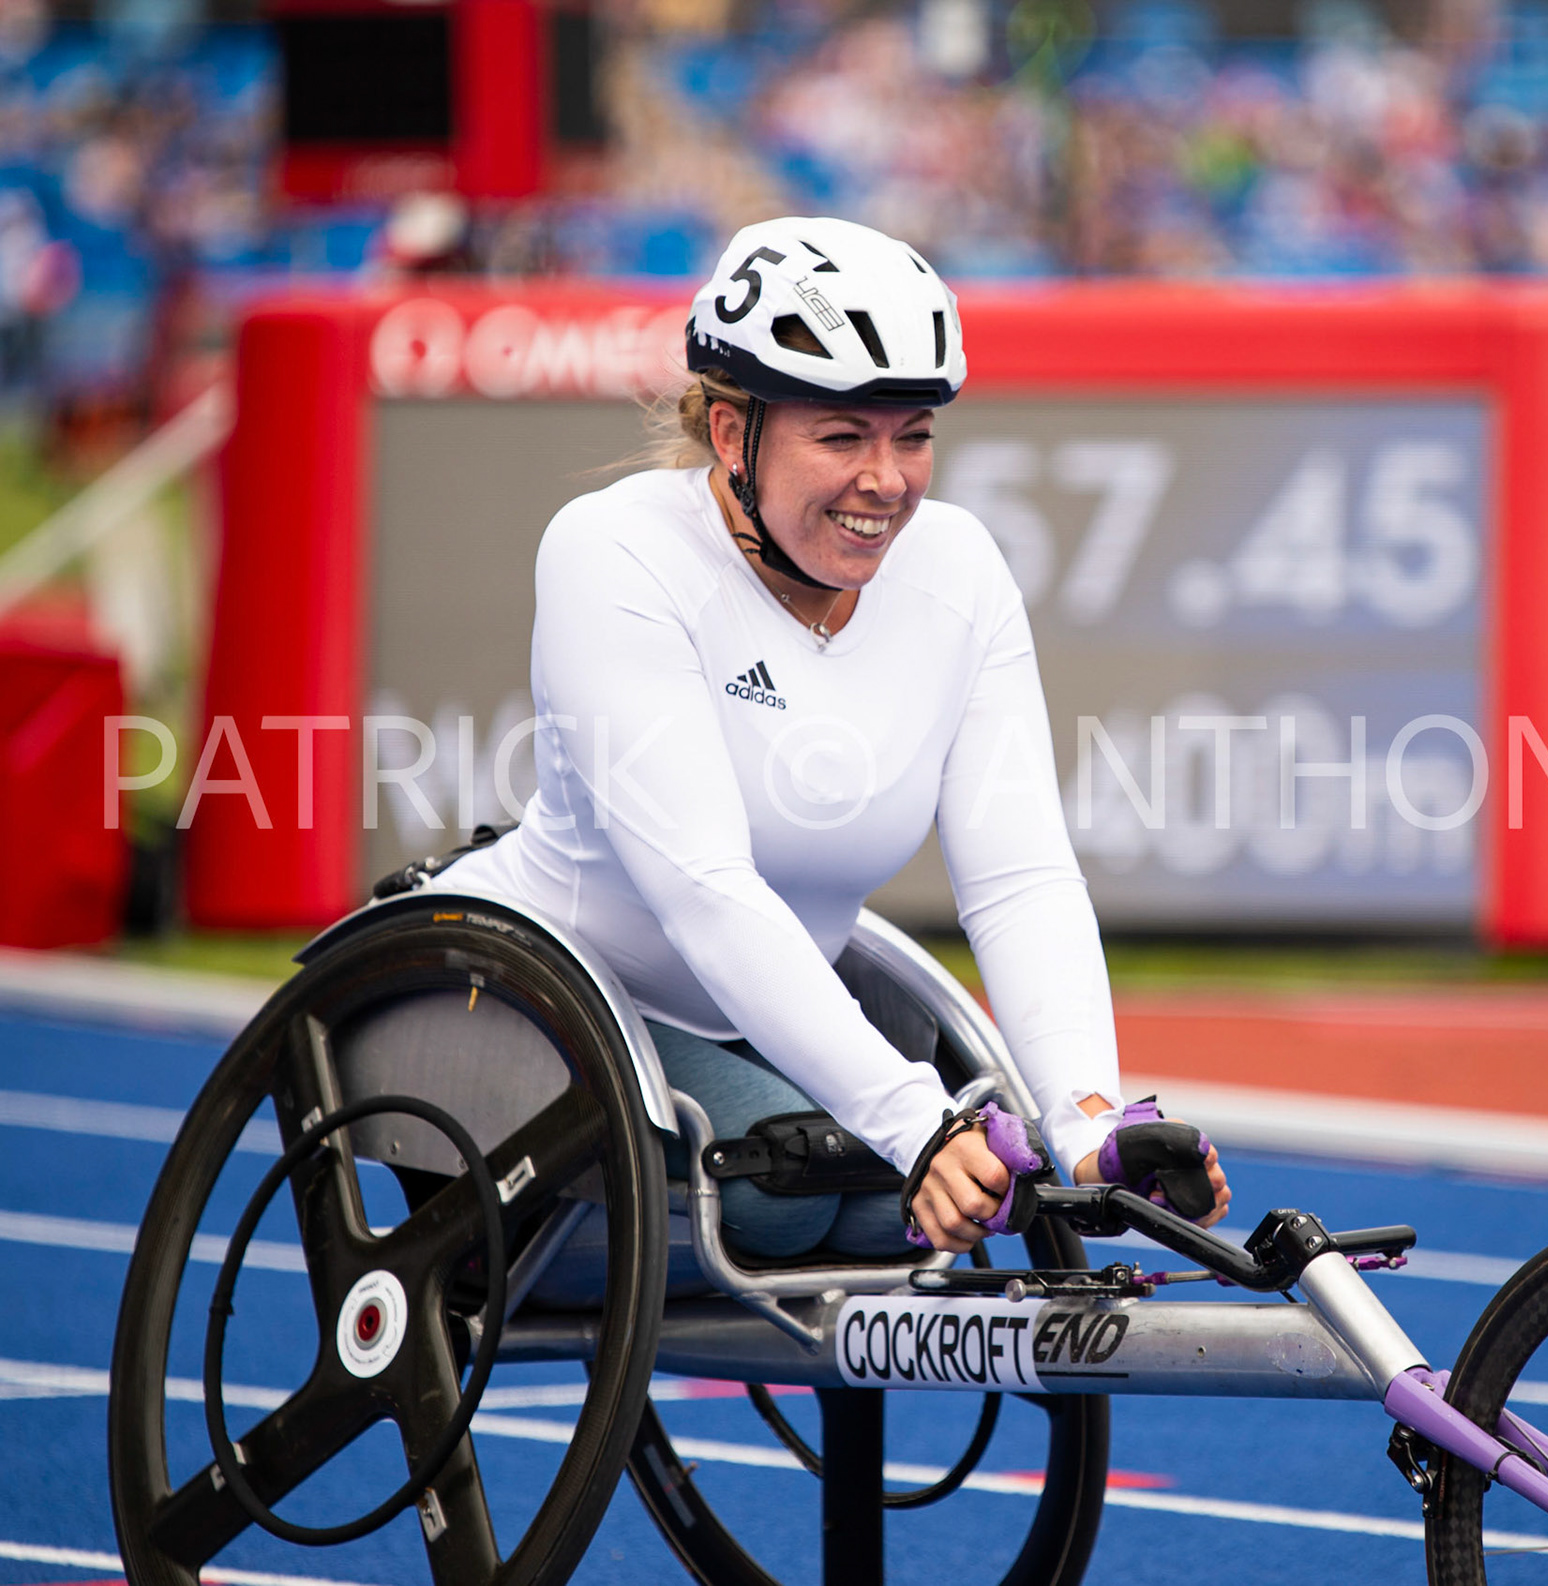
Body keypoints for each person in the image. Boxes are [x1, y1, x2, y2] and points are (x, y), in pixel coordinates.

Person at [439, 215, 1228, 1261]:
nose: (888, 480)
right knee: (792, 1195)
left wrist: (1088, 1127)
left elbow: (1021, 875)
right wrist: (918, 1122)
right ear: (732, 434)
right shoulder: (614, 552)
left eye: (913, 433)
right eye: (843, 435)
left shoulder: (960, 566)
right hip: (545, 996)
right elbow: (705, 886)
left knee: (951, 1200)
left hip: (762, 1022)